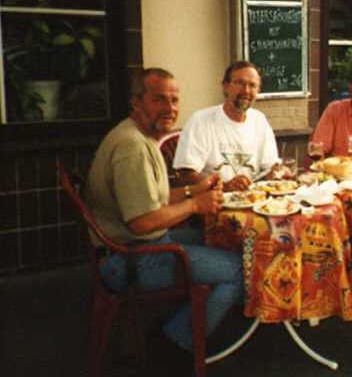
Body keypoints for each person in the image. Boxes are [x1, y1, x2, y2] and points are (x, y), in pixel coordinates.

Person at [84, 68, 243, 352]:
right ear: (137, 102)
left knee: (223, 241)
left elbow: (152, 198)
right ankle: (173, 343)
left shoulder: (139, 135)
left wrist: (196, 189)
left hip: (134, 248)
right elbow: (142, 222)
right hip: (129, 261)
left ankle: (188, 321)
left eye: (174, 100)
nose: (170, 108)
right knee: (240, 269)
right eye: (159, 99)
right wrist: (194, 205)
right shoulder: (132, 147)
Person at [173, 61, 281, 191]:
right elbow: (185, 174)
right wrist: (223, 186)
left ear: (258, 90)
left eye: (252, 85)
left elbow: (270, 168)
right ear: (225, 87)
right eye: (240, 83)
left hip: (255, 199)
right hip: (213, 199)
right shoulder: (200, 121)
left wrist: (279, 172)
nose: (246, 90)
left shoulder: (259, 120)